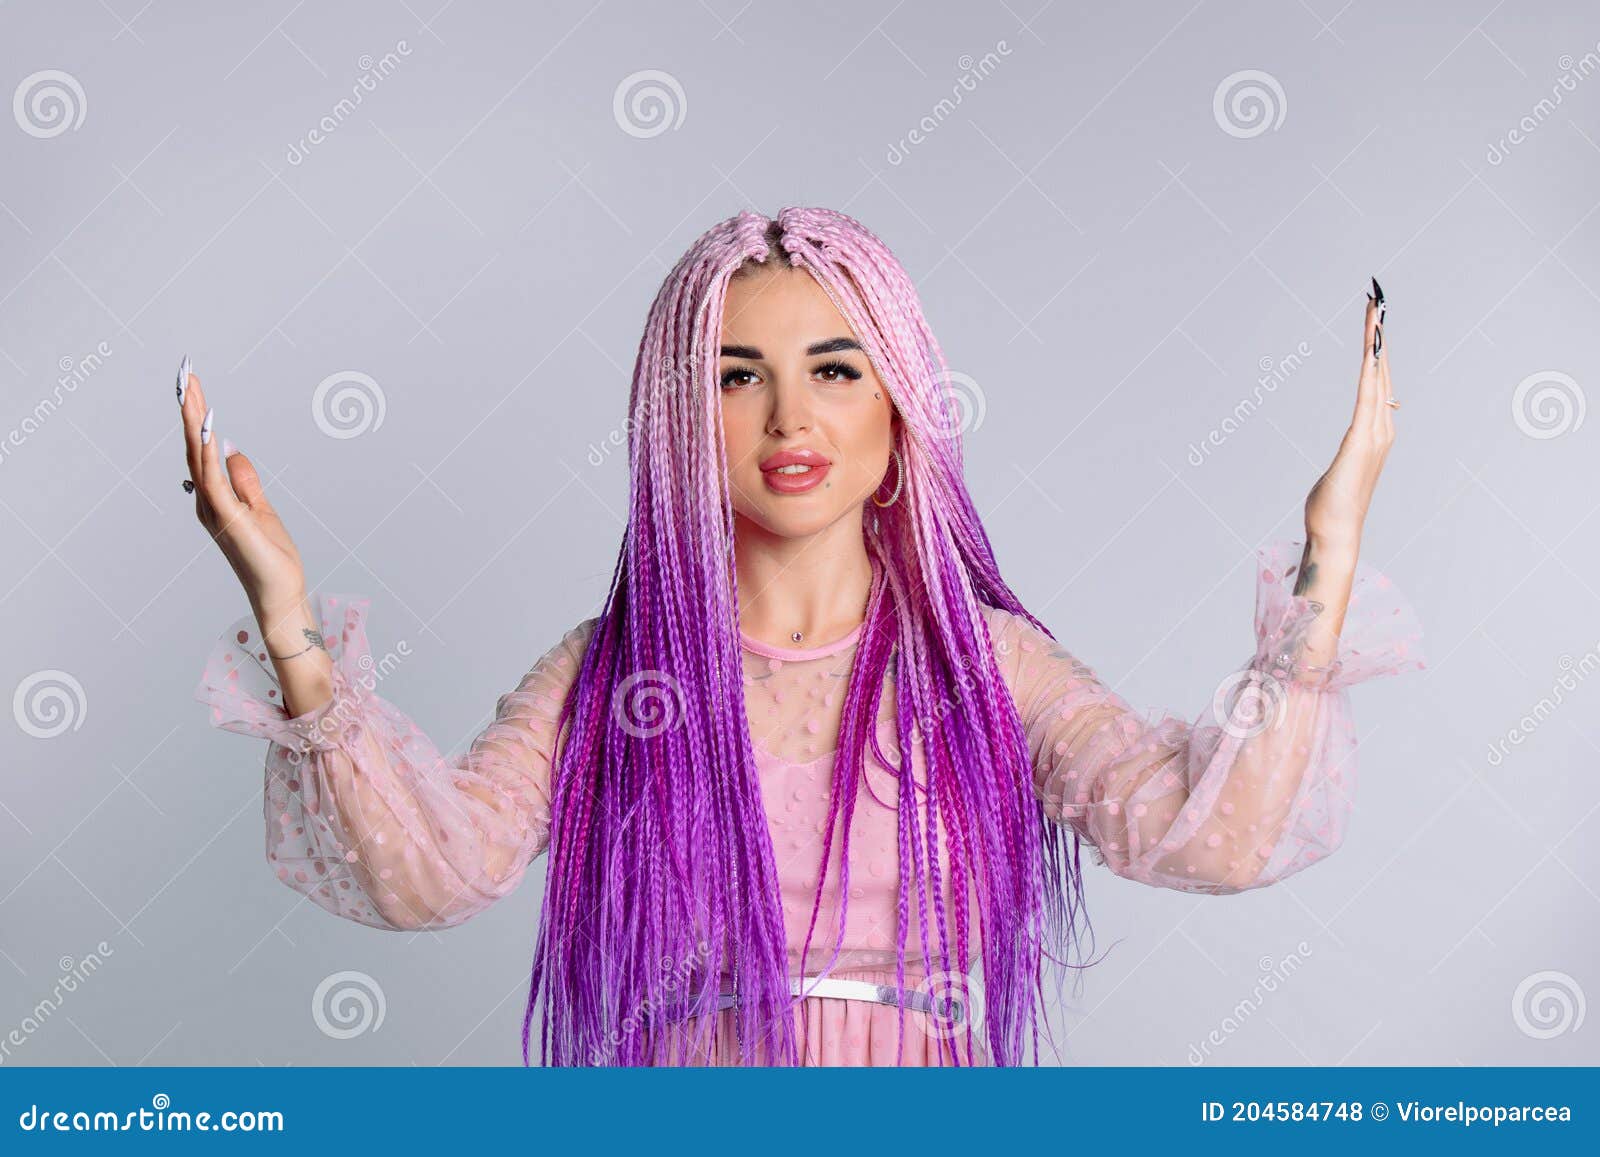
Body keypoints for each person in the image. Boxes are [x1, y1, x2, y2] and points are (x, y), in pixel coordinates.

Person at [185, 206, 1424, 1067]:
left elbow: (1213, 832)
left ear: (899, 396)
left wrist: (1329, 554)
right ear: (681, 414)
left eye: (835, 369)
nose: (790, 416)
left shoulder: (982, 666)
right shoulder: (611, 675)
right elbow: (425, 872)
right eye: (735, 377)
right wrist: (290, 624)